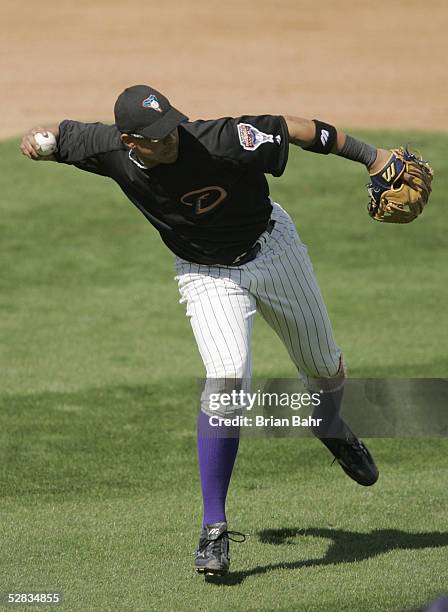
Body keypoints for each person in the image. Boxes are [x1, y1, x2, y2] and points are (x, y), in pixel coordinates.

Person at [21, 84, 387, 577]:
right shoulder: (108, 147)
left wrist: (372, 156)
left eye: (170, 125)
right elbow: (60, 137)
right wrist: (36, 139)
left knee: (323, 366)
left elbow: (294, 128)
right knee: (226, 380)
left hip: (274, 249)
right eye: (156, 135)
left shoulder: (218, 139)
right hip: (205, 274)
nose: (169, 137)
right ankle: (213, 528)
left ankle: (329, 425)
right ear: (131, 140)